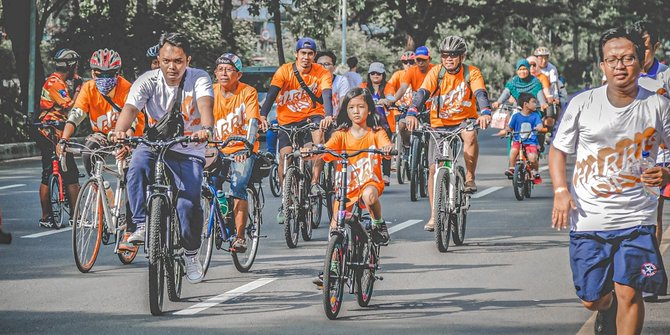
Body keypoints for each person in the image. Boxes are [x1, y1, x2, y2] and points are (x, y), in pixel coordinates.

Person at [550, 27, 669, 335]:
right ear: (601, 65)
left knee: (630, 291)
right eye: (612, 59)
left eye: (628, 58)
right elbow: (558, 151)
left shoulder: (658, 105)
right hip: (589, 219)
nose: (620, 65)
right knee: (593, 299)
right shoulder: (582, 104)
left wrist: (666, 173)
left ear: (641, 63)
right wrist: (561, 191)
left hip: (637, 216)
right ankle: (606, 307)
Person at [111, 32, 214, 284]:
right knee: (135, 167)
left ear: (187, 60)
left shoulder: (199, 78)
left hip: (189, 148)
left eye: (178, 61)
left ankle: (191, 254)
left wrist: (206, 129)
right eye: (167, 60)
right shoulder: (147, 81)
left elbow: (206, 107)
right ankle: (140, 224)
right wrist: (120, 131)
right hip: (154, 144)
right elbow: (131, 109)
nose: (172, 67)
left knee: (188, 206)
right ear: (159, 59)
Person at [405, 36, 492, 231]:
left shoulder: (471, 72)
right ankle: (435, 215)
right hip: (439, 124)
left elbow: (480, 93)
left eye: (453, 55)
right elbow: (422, 93)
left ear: (462, 57)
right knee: (434, 169)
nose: (449, 59)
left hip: (464, 121)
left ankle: (469, 176)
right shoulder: (436, 72)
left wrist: (485, 111)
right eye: (445, 55)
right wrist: (412, 111)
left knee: (470, 135)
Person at [258, 37, 334, 224]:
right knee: (285, 157)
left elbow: (327, 96)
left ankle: (315, 183)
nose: (306, 57)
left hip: (311, 117)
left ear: (314, 56)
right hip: (287, 121)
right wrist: (262, 115)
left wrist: (328, 116)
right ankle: (286, 200)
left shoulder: (322, 73)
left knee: (317, 141)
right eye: (303, 53)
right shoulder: (284, 71)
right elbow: (271, 95)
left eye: (310, 54)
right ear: (297, 54)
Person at [303, 87, 392, 243]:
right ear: (346, 111)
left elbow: (386, 146)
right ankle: (335, 262)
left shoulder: (377, 133)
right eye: (351, 107)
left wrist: (387, 148)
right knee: (335, 228)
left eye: (361, 106)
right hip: (346, 187)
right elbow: (326, 149)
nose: (356, 111)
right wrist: (311, 152)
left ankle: (378, 223)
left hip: (369, 182)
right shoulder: (340, 134)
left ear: (369, 110)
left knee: (369, 196)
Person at [632, 19, 670, 303]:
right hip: (636, 157)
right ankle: (646, 274)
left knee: (652, 212)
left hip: (663, 154)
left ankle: (649, 275)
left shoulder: (666, 77)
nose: (639, 54)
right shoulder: (623, 74)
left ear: (655, 47)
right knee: (642, 214)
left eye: (644, 48)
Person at [211, 52, 260, 252]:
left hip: (241, 149)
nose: (224, 73)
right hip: (215, 148)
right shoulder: (209, 92)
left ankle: (240, 237)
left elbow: (252, 122)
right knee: (208, 184)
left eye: (229, 70)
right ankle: (221, 210)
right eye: (220, 69)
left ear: (238, 75)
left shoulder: (248, 92)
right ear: (215, 73)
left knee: (238, 185)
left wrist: (247, 147)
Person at [36, 48, 82, 228]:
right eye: (76, 66)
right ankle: (73, 215)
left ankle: (48, 217)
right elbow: (70, 106)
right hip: (52, 133)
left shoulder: (57, 82)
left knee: (50, 172)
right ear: (71, 66)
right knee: (69, 173)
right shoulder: (54, 82)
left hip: (51, 132)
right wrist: (79, 89)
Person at [360, 62, 395, 185]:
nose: (375, 75)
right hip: (367, 123)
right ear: (369, 75)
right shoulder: (364, 86)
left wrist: (387, 100)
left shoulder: (387, 86)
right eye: (373, 73)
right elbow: (358, 96)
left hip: (384, 123)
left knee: (386, 148)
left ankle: (386, 174)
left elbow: (391, 97)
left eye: (378, 73)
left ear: (383, 75)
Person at [503, 93, 543, 184]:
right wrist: (508, 129)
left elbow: (539, 125)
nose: (535, 104)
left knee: (532, 158)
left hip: (531, 141)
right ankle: (512, 168)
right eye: (533, 102)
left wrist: (539, 127)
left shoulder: (535, 116)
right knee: (513, 151)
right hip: (518, 140)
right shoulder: (516, 116)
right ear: (526, 104)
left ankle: (535, 171)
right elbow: (510, 127)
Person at [387, 51, 416, 148]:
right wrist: (390, 98)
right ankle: (405, 145)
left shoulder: (420, 74)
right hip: (401, 108)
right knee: (401, 126)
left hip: (417, 108)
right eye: (405, 62)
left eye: (411, 62)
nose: (408, 64)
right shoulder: (398, 75)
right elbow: (389, 87)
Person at [316, 50, 350, 115]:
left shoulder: (341, 81)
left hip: (335, 120)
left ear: (334, 67)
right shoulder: (311, 82)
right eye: (319, 64)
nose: (323, 67)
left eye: (327, 64)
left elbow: (343, 103)